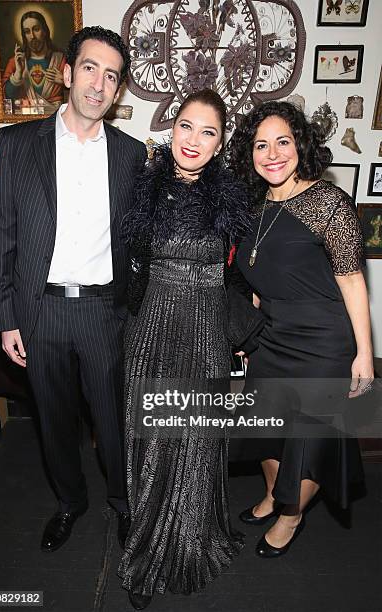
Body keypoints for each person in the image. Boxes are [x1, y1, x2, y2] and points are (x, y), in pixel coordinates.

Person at [0, 26, 147, 553]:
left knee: (114, 420)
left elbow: (137, 237)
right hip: (41, 313)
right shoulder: (15, 144)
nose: (99, 84)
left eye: (112, 75)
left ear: (118, 88)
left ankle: (124, 505)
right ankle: (70, 503)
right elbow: (3, 235)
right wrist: (6, 317)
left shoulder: (131, 154)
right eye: (90, 68)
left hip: (104, 312)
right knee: (54, 424)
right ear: (66, 72)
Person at [117, 89, 252, 610]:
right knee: (152, 444)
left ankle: (192, 540)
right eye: (186, 127)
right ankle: (145, 554)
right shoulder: (142, 189)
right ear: (171, 130)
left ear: (219, 144)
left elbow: (243, 273)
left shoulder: (236, 198)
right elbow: (128, 264)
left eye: (208, 131)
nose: (194, 140)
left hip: (207, 336)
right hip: (152, 330)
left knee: (196, 444)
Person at [226, 100, 374, 557]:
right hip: (270, 336)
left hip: (323, 340)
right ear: (249, 154)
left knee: (308, 439)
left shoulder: (328, 203)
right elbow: (252, 274)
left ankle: (292, 516)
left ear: (300, 145)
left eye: (283, 142)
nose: (272, 153)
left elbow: (352, 279)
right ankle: (274, 495)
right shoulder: (252, 206)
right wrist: (250, 332)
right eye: (261, 144)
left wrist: (364, 352)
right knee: (268, 429)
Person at [2, 11, 66, 113]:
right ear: (24, 35)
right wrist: (18, 74)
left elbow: (78, 92)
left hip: (55, 118)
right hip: (26, 122)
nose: (32, 36)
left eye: (36, 29)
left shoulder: (60, 60)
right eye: (27, 31)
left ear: (45, 31)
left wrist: (64, 81)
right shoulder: (15, 62)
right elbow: (6, 96)